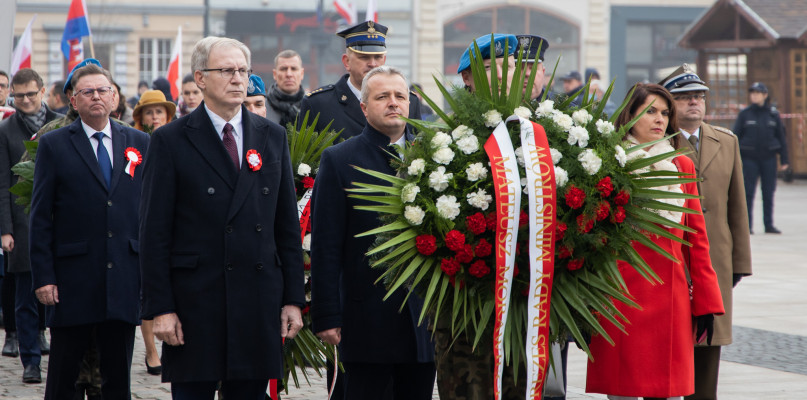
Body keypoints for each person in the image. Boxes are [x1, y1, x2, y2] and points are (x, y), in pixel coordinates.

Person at [139, 36, 304, 399]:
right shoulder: (171, 140)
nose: (237, 79)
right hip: (196, 302)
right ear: (200, 78)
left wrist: (293, 298)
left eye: (243, 71)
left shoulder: (271, 135)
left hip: (256, 297)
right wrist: (161, 309)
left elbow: (285, 227)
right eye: (226, 70)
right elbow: (154, 232)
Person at [586, 83, 725, 400]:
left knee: (666, 390)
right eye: (650, 111)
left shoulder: (681, 166)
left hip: (669, 297)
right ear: (630, 115)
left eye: (665, 112)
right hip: (618, 294)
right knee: (620, 391)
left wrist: (706, 302)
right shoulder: (609, 162)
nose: (659, 118)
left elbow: (697, 240)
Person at [311, 65, 435, 400]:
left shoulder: (436, 157)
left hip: (422, 320)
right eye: (382, 96)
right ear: (364, 107)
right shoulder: (340, 159)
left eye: (400, 96)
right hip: (366, 320)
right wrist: (326, 314)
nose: (393, 103)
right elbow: (325, 244)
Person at [29, 63, 149, 399]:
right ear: (72, 99)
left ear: (114, 97)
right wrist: (43, 277)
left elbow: (148, 213)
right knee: (64, 378)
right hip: (72, 279)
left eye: (103, 90)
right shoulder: (54, 145)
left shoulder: (139, 142)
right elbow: (40, 217)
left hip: (124, 274)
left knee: (116, 379)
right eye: (88, 92)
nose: (97, 97)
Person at [660, 64, 753, 400]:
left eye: (699, 96)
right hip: (672, 258)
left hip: (715, 258)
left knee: (710, 338)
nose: (694, 103)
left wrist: (739, 262)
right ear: (670, 104)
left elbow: (737, 207)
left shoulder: (726, 141)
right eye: (685, 98)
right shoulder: (657, 145)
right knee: (674, 336)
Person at [0, 68, 64, 384]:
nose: (25, 100)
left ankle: (63, 360)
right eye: (18, 95)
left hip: (60, 222)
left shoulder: (62, 122)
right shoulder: (5, 129)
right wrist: (5, 229)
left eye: (30, 94)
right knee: (25, 296)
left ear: (41, 90)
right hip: (22, 222)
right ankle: (31, 361)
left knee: (60, 295)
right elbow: (1, 182)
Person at [298, 21, 422, 139]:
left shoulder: (409, 102)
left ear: (384, 61)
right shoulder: (318, 104)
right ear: (347, 62)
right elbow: (305, 156)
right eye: (364, 57)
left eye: (378, 57)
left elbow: (416, 151)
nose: (372, 64)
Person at [733, 82, 789, 234]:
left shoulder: (773, 114)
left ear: (765, 95)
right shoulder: (745, 114)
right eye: (752, 93)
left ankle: (769, 225)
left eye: (758, 93)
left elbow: (781, 138)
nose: (754, 95)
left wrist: (784, 160)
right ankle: (747, 226)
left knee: (768, 192)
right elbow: (735, 136)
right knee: (748, 192)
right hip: (749, 159)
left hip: (768, 158)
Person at [266, 49, 305, 127]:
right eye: (283, 69)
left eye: (293, 69)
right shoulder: (262, 107)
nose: (289, 74)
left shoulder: (311, 106)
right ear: (274, 74)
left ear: (301, 73)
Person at [515, 34, 553, 101]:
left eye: (533, 68)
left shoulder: (563, 108)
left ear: (543, 72)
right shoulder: (494, 108)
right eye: (519, 68)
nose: (527, 74)